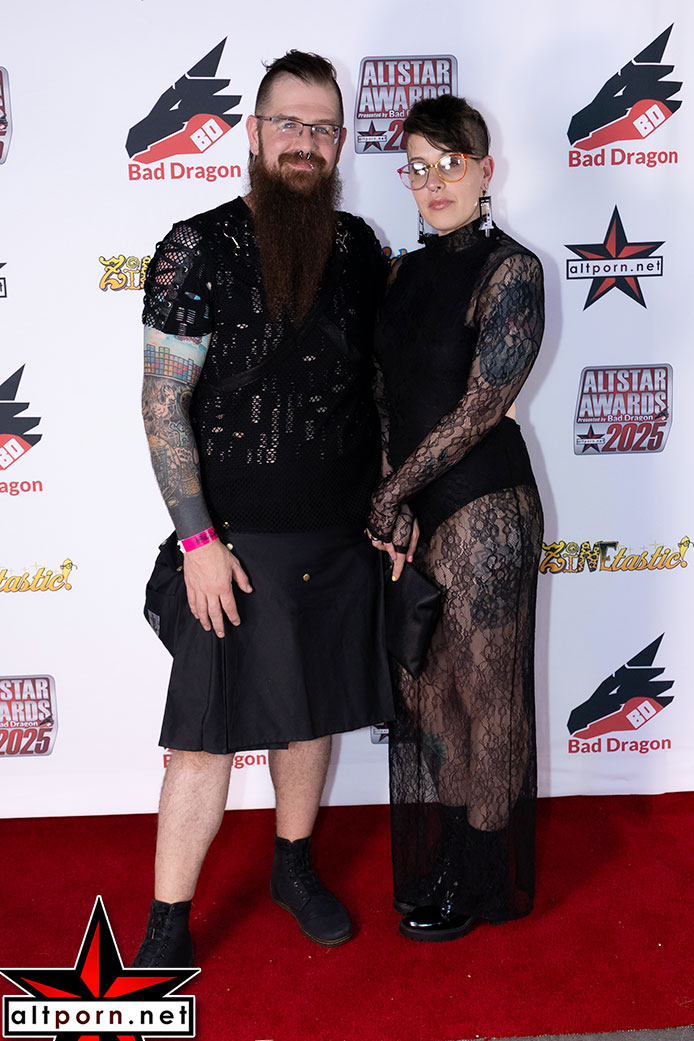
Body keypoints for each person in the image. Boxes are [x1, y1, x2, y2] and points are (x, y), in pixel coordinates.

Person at [135, 51, 393, 966]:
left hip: (337, 536)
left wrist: (390, 508)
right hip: (231, 546)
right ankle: (168, 922)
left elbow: (381, 392)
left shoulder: (361, 250)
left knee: (310, 717)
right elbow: (162, 403)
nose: (304, 142)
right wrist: (198, 541)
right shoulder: (196, 245)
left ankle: (293, 866)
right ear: (253, 132)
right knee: (203, 740)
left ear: (340, 142)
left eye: (322, 128)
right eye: (288, 123)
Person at [366, 94, 544, 941]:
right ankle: (454, 855)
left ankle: (482, 871)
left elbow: (481, 408)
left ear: (485, 170)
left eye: (451, 164)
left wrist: (393, 492)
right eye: (419, 167)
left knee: (487, 694)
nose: (434, 182)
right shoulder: (402, 273)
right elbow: (382, 396)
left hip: (485, 507)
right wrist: (392, 497)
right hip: (414, 513)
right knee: (429, 695)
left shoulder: (513, 270)